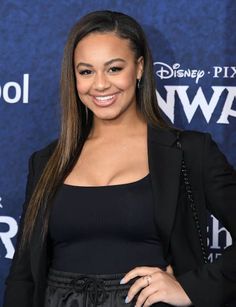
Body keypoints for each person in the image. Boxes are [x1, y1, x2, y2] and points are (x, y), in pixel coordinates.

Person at [3, 10, 236, 307]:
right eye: (86, 71)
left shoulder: (190, 151)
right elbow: (23, 276)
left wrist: (192, 288)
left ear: (139, 68)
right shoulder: (47, 161)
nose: (100, 85)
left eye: (114, 69)